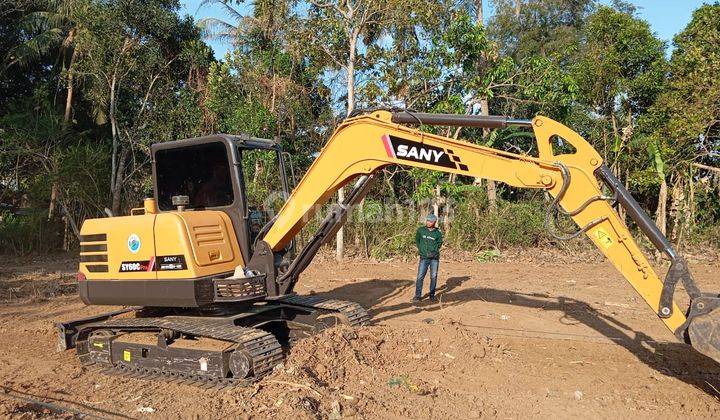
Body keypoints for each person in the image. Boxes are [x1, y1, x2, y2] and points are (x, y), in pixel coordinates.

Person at [413, 213, 443, 303]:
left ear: (434, 222)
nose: (428, 222)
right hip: (424, 258)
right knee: (420, 277)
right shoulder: (421, 230)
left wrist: (433, 251)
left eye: (430, 221)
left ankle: (432, 295)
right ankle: (418, 296)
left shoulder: (437, 233)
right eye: (427, 221)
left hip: (434, 259)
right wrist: (422, 250)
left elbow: (439, 243)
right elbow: (417, 240)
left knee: (433, 277)